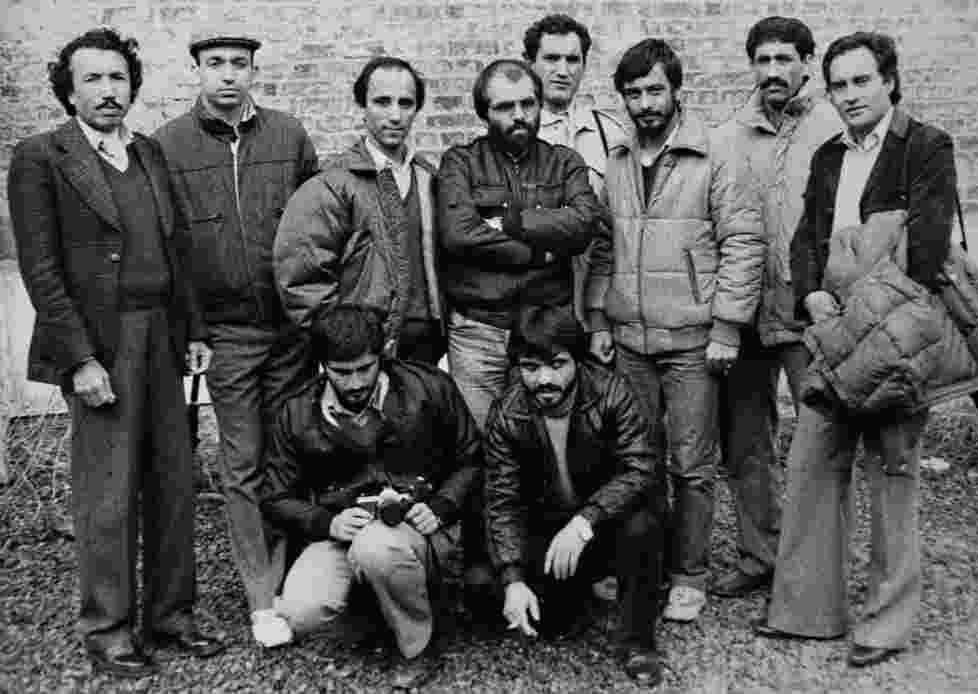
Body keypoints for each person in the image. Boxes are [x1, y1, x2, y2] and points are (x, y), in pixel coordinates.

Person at [7, 28, 223, 677]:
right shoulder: (42, 157)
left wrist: (194, 333)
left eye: (117, 77)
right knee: (107, 491)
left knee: (172, 482)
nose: (108, 90)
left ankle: (171, 616)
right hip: (103, 342)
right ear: (69, 90)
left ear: (132, 84)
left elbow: (177, 250)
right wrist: (79, 359)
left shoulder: (150, 154)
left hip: (161, 333)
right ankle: (107, 630)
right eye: (93, 79)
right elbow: (41, 269)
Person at [753, 32, 958, 669]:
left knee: (893, 477)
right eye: (839, 85)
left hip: (896, 341)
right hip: (833, 336)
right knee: (812, 466)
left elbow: (923, 254)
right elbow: (804, 240)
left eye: (861, 81)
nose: (849, 96)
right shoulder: (828, 156)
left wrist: (852, 299)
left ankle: (887, 624)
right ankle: (808, 611)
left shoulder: (924, 147)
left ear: (889, 81)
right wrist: (812, 295)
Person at [585, 39, 764, 623]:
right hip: (631, 340)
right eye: (633, 93)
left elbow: (742, 241)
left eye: (654, 90)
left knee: (692, 463)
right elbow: (605, 246)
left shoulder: (713, 154)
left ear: (675, 90)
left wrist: (728, 326)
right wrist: (599, 316)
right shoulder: (615, 160)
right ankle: (646, 566)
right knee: (639, 459)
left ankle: (689, 573)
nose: (644, 103)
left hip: (692, 341)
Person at [154, 27, 319, 647]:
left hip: (290, 331)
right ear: (197, 70)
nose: (228, 74)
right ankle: (260, 601)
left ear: (254, 71)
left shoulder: (288, 134)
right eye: (215, 63)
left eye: (239, 64)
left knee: (290, 456)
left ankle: (290, 579)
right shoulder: (168, 145)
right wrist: (194, 327)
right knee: (241, 465)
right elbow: (169, 246)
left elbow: (313, 225)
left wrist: (311, 313)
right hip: (225, 336)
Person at [260, 303, 481, 690]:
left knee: (377, 550)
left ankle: (417, 646)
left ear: (384, 353)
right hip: (342, 533)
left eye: (365, 368)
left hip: (417, 526)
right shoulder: (294, 412)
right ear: (322, 366)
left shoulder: (429, 387)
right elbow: (275, 496)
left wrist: (444, 506)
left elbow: (472, 458)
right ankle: (377, 611)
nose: (356, 382)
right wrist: (326, 522)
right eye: (342, 372)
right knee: (302, 613)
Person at [708, 16, 842, 599]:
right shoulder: (730, 133)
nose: (772, 72)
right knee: (745, 443)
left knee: (820, 441)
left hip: (808, 311)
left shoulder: (832, 128)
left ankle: (812, 571)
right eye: (762, 61)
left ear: (807, 63)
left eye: (784, 59)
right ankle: (759, 553)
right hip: (746, 310)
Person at [482, 305, 664, 687]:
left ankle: (638, 641)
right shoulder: (506, 414)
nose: (544, 379)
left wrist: (585, 521)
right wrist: (513, 577)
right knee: (503, 600)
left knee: (642, 524)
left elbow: (641, 467)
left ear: (578, 361)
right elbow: (502, 500)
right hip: (551, 529)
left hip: (605, 522)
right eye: (531, 368)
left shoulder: (613, 391)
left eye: (557, 364)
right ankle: (574, 593)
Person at [436, 59, 604, 428]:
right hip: (479, 332)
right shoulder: (459, 164)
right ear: (484, 113)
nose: (520, 116)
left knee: (546, 441)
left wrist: (509, 221)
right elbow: (458, 234)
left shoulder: (564, 163)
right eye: (505, 107)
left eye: (528, 104)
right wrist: (541, 248)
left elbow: (584, 223)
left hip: (548, 331)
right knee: (480, 443)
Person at [275, 56, 446, 364]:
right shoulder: (334, 183)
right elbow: (301, 275)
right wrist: (343, 338)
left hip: (429, 342)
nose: (395, 115)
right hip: (366, 348)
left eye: (405, 103)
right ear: (361, 107)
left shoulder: (429, 178)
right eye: (382, 102)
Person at [523, 13, 629, 337]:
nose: (562, 70)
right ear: (529, 62)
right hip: (529, 302)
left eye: (573, 59)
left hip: (591, 302)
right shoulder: (511, 133)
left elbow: (619, 226)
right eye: (551, 58)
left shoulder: (609, 133)